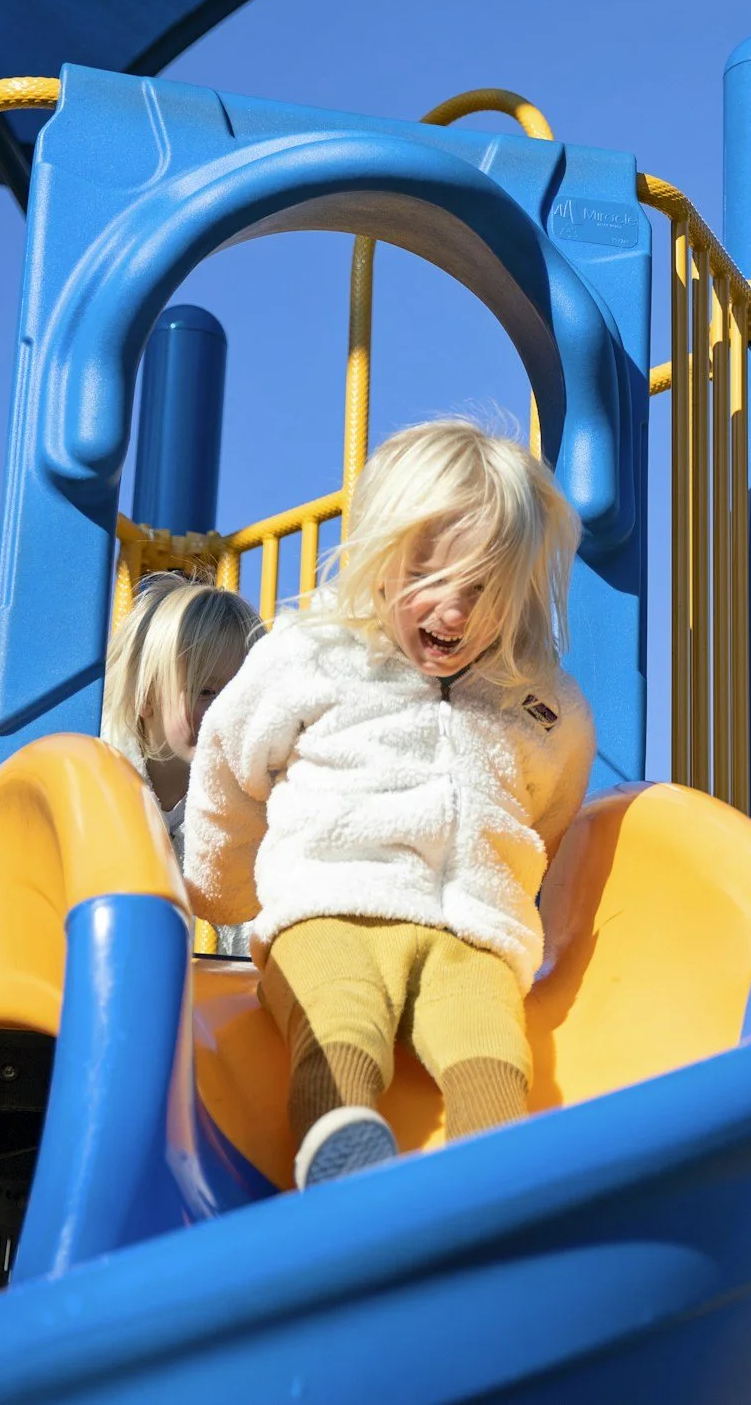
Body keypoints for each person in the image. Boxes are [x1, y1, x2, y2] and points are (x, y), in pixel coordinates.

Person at [182, 418, 595, 1190]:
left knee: (495, 1049)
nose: (454, 612)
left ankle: (495, 1189)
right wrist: (221, 888)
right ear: (380, 559)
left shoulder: (539, 704)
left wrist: (511, 891)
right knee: (338, 1022)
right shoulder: (313, 657)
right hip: (330, 905)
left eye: (483, 590)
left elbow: (550, 813)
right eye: (430, 578)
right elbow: (229, 769)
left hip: (471, 932)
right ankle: (340, 1155)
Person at [0, 573, 261, 951]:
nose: (225, 712)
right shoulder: (93, 768)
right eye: (206, 691)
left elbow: (248, 899)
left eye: (241, 695)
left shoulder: (231, 800)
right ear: (145, 696)